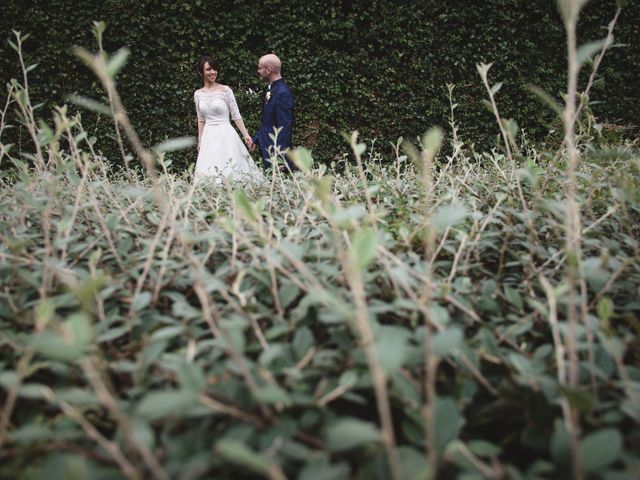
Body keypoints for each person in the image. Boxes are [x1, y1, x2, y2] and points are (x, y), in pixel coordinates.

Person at [193, 55, 262, 181]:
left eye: (215, 69)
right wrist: (200, 140)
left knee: (231, 169)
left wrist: (246, 136)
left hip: (226, 134)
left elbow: (236, 115)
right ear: (201, 72)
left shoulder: (225, 90)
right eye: (209, 69)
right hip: (208, 136)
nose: (213, 72)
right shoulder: (198, 94)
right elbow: (201, 118)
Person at [250, 54, 295, 170]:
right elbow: (269, 121)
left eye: (260, 68)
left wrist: (281, 159)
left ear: (268, 70)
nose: (258, 71)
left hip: (276, 156)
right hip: (267, 150)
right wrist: (256, 139)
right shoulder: (272, 89)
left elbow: (284, 128)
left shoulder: (282, 93)